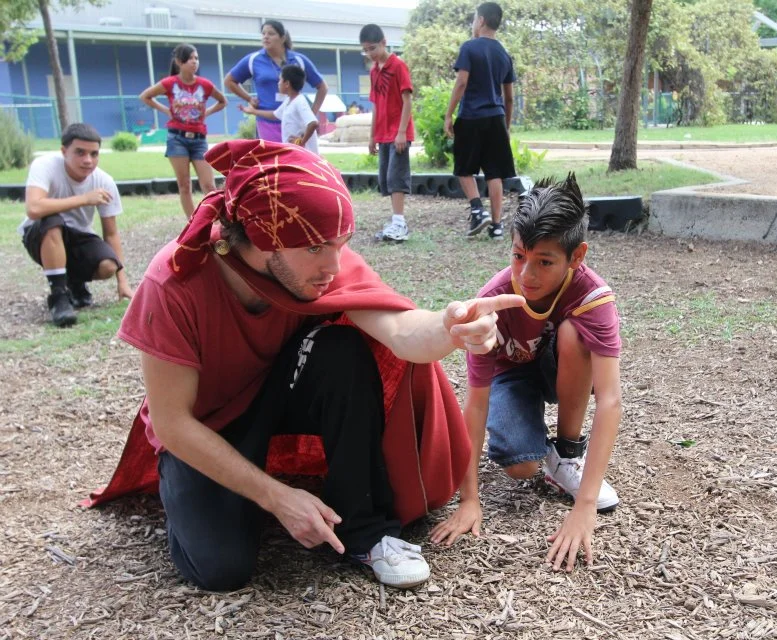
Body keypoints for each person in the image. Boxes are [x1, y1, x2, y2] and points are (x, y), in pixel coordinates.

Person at [85, 139, 524, 591]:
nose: (333, 265)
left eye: (341, 244)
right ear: (259, 237)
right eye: (315, 248)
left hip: (277, 391)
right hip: (206, 424)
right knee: (221, 569)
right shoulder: (174, 282)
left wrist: (450, 328)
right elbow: (173, 422)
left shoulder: (314, 254)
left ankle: (364, 531)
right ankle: (196, 494)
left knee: (341, 351)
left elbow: (399, 331)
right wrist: (274, 496)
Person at [430, 174, 622, 573]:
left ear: (577, 256)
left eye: (544, 262)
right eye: (519, 256)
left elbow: (609, 399)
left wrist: (584, 506)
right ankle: (543, 456)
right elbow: (476, 400)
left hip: (563, 367)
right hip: (511, 375)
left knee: (573, 332)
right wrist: (469, 499)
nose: (526, 275)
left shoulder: (592, 296)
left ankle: (568, 453)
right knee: (521, 467)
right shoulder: (492, 301)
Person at [18, 123, 134, 327]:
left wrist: (122, 282)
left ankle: (74, 281)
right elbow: (34, 208)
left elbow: (111, 234)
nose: (88, 160)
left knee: (108, 266)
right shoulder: (44, 165)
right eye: (80, 152)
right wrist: (84, 199)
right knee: (53, 221)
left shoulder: (104, 181)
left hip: (77, 237)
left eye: (94, 154)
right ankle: (59, 297)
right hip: (40, 235)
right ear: (64, 151)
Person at [444, 2, 516, 240]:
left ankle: (477, 209)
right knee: (494, 173)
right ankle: (496, 227)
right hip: (496, 117)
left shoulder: (469, 48)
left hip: (472, 116)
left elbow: (462, 82)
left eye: (474, 19)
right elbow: (509, 98)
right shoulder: (504, 54)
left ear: (481, 20)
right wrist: (505, 125)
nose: (473, 23)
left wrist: (449, 113)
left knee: (464, 168)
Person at [140, 43, 227, 219]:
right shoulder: (170, 83)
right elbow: (145, 96)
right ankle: (192, 222)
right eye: (190, 59)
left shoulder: (205, 84)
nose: (194, 62)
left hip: (199, 138)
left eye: (196, 58)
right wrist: (166, 110)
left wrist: (206, 113)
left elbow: (222, 101)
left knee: (209, 184)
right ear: (179, 62)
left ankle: (219, 220)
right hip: (177, 138)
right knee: (184, 185)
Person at [225, 20, 328, 142]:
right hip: (266, 123)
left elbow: (322, 87)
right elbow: (229, 81)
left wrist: (311, 113)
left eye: (271, 33)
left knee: (294, 158)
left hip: (295, 124)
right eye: (263, 34)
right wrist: (249, 98)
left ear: (282, 38)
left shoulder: (298, 60)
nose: (266, 37)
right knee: (272, 158)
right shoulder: (254, 60)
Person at [360, 23, 415, 243]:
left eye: (373, 48)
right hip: (382, 133)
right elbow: (375, 105)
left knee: (396, 177)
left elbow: (407, 100)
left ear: (383, 43)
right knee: (386, 178)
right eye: (366, 50)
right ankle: (395, 220)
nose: (370, 54)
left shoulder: (398, 65)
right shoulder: (374, 71)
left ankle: (400, 223)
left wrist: (401, 132)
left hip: (397, 133)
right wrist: (372, 136)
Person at [241, 64, 319, 155]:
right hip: (294, 153)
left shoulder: (299, 102)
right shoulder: (288, 101)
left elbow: (313, 123)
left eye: (280, 80)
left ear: (287, 84)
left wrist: (301, 142)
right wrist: (253, 111)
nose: (278, 83)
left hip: (305, 155)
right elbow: (274, 115)